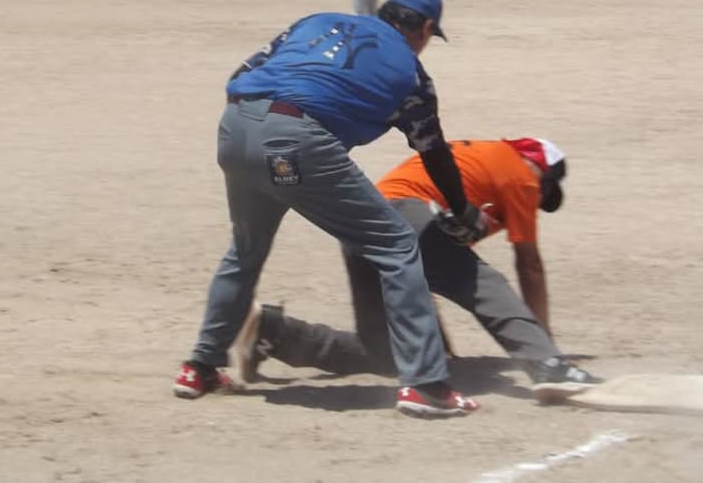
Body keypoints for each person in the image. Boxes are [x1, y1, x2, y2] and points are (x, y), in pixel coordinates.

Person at [174, 0, 489, 418]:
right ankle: (426, 385)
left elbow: (240, 76)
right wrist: (461, 208)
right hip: (292, 145)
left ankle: (199, 367)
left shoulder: (316, 23)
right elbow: (433, 151)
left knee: (245, 249)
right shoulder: (412, 76)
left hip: (234, 128)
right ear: (426, 28)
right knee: (397, 245)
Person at [231, 138, 603, 403]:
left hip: (360, 219)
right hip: (404, 215)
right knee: (487, 284)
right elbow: (530, 267)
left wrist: (435, 344)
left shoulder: (478, 166)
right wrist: (546, 345)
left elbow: (430, 271)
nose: (537, 202)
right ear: (539, 169)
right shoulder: (520, 173)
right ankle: (547, 366)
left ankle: (275, 333)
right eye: (544, 192)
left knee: (387, 353)